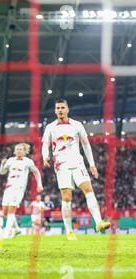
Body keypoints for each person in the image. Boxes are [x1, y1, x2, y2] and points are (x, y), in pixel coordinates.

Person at [42, 99, 111, 240]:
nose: (60, 110)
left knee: (89, 190)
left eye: (62, 107)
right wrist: (45, 156)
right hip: (61, 165)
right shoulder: (50, 127)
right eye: (58, 108)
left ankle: (98, 222)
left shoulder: (77, 125)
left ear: (67, 109)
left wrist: (91, 164)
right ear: (55, 111)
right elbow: (45, 144)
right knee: (66, 197)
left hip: (78, 162)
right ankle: (69, 231)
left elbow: (86, 145)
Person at [0, 143, 43, 239]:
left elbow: (36, 172)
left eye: (21, 149)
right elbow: (2, 172)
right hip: (8, 187)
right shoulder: (10, 160)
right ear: (14, 151)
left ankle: (6, 233)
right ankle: (17, 230)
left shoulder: (28, 161)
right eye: (17, 149)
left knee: (12, 209)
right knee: (5, 212)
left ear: (25, 151)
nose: (19, 151)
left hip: (19, 188)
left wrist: (39, 184)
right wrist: (2, 165)